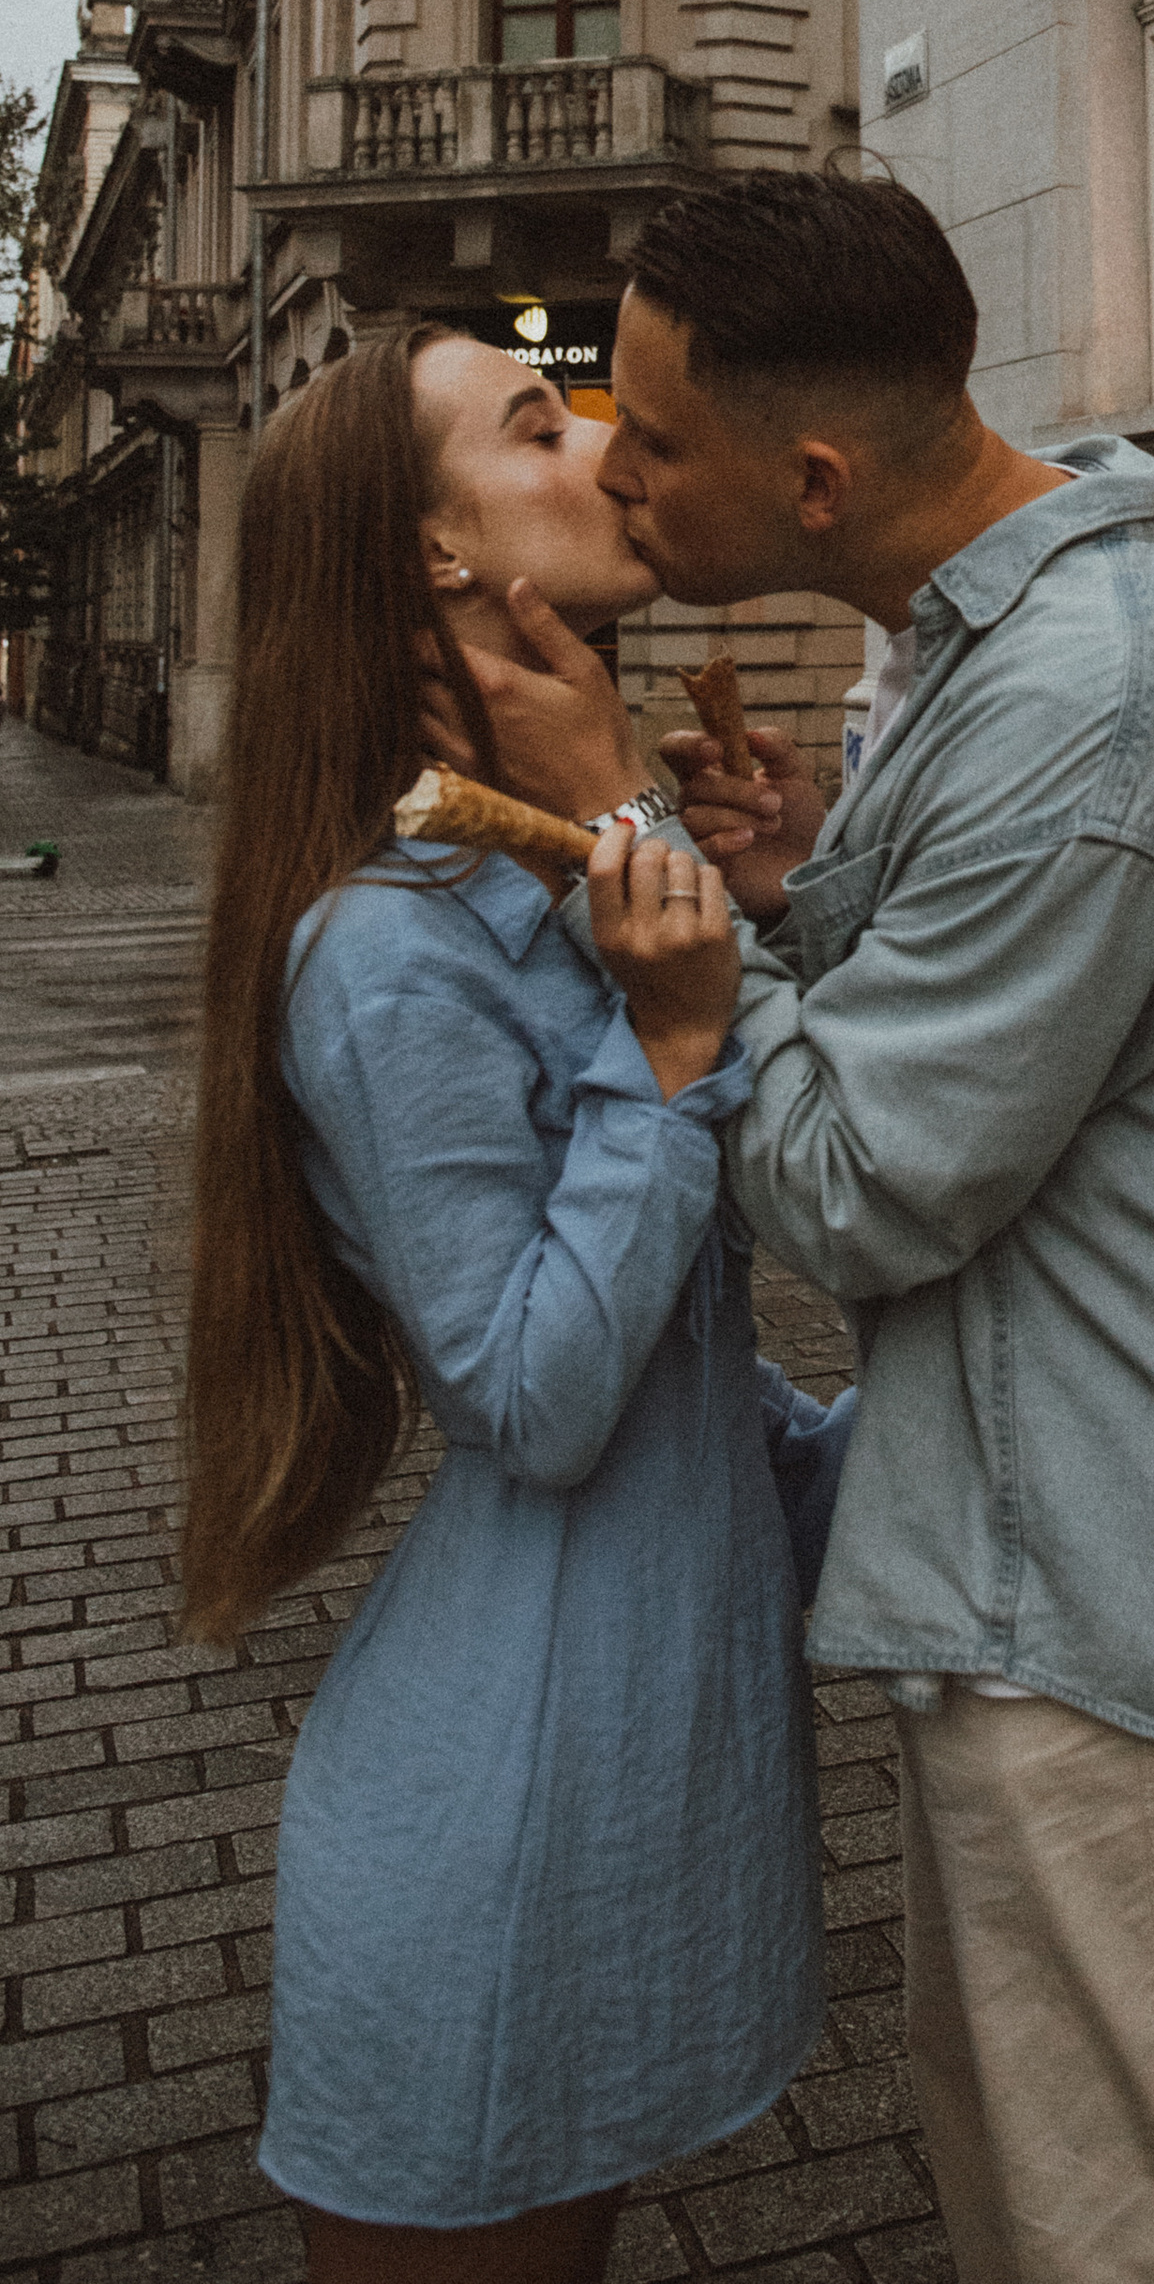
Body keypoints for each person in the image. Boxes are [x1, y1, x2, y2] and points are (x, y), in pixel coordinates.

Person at [440, 172, 1154, 2284]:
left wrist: (645, 879)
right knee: (1056, 2211)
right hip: (1036, 1556)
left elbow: (866, 1190)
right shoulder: (989, 640)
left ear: (806, 477)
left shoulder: (1090, 696)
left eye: (652, 437)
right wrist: (798, 888)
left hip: (1111, 1589)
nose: (610, 464)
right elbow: (998, 1033)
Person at [180, 325, 853, 2283]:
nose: (610, 444)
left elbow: (691, 1380)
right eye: (540, 426)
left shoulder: (558, 887)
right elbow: (536, 1403)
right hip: (492, 1830)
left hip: (621, 1777)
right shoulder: (379, 955)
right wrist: (667, 1057)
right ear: (433, 557)